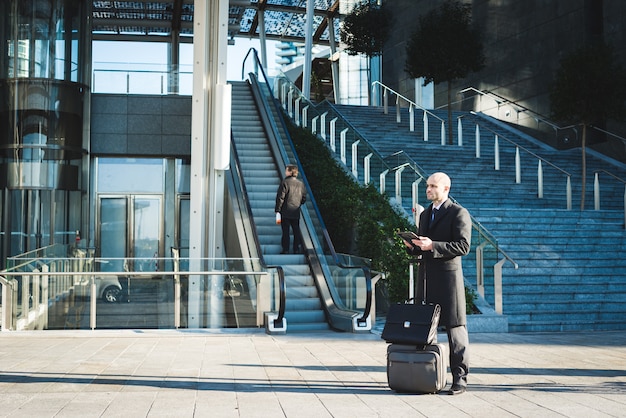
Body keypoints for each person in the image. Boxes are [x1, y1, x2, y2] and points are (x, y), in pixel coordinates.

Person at [402, 172, 472, 395]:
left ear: (446, 189)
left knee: (455, 330)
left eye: (433, 186)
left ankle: (460, 379)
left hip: (449, 280)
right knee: (425, 329)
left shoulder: (458, 213)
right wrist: (412, 245)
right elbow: (424, 247)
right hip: (427, 278)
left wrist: (433, 245)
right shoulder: (425, 215)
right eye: (427, 186)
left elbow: (463, 246)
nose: (428, 189)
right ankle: (425, 376)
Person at [275, 164, 307, 254]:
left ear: (290, 172)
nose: (285, 172)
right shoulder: (301, 184)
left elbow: (280, 197)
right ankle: (296, 249)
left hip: (285, 211)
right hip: (296, 211)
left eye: (286, 170)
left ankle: (286, 249)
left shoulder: (285, 183)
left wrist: (278, 210)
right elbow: (304, 198)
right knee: (296, 230)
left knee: (286, 231)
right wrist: (297, 204)